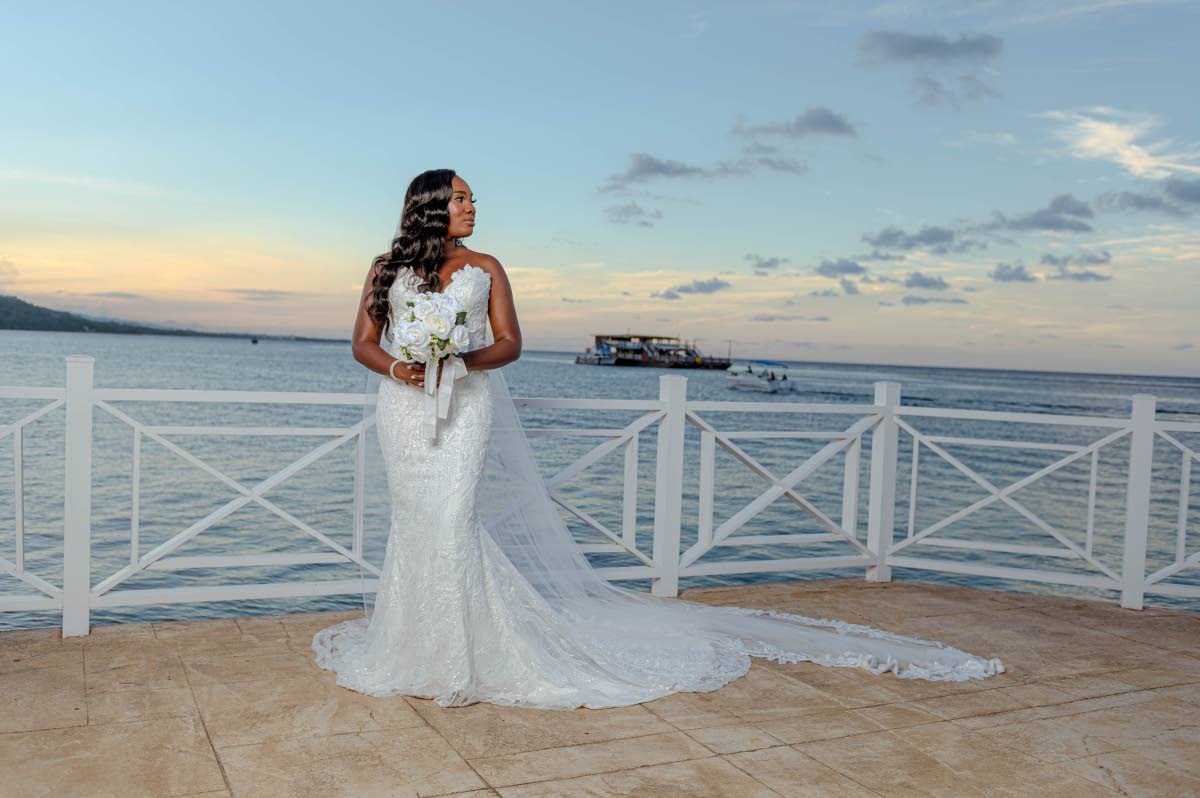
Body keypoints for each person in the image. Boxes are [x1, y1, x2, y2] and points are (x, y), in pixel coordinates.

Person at [311, 168, 1003, 710]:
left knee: (454, 521)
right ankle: (411, 651)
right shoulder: (384, 267)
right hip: (402, 411)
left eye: (473, 198)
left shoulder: (488, 266)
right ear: (431, 204)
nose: (472, 206)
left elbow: (512, 343)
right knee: (417, 523)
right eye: (461, 198)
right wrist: (405, 367)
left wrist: (456, 361)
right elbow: (363, 343)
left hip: (463, 408)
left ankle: (470, 658)